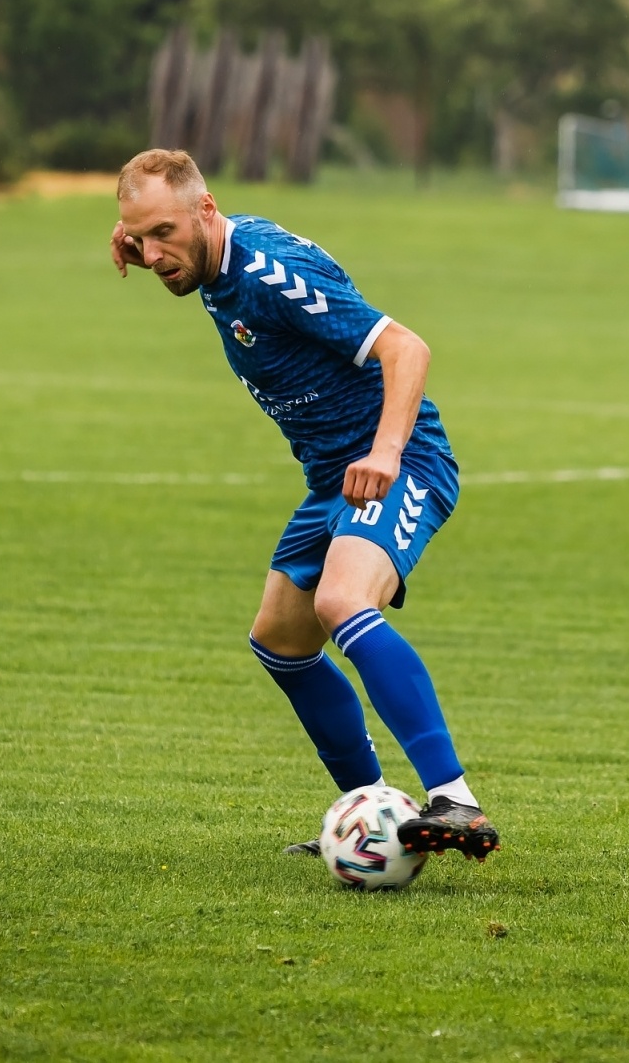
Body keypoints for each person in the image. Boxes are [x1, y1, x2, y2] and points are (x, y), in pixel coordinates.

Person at [110, 149, 499, 861]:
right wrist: (147, 238)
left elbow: (406, 349)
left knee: (342, 602)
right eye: (140, 237)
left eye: (165, 232)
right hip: (331, 478)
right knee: (282, 644)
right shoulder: (209, 253)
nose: (155, 253)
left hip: (399, 461)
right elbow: (173, 238)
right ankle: (370, 813)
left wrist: (384, 453)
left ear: (206, 209)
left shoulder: (266, 275)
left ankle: (457, 799)